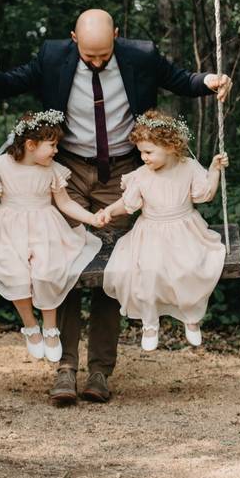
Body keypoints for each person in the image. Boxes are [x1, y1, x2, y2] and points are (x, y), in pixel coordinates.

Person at [0, 8, 232, 405]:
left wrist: (208, 80)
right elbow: (14, 80)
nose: (96, 61)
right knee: (64, 261)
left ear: (117, 38)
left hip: (123, 170)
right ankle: (66, 368)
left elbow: (180, 79)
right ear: (74, 38)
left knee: (114, 263)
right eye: (89, 55)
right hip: (66, 167)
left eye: (104, 54)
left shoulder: (140, 55)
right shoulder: (53, 55)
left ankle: (99, 371)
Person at [0, 110, 105, 363]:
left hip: (46, 227)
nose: (56, 150)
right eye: (52, 145)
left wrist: (91, 218)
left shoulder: (52, 169)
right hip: (9, 229)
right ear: (31, 145)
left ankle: (51, 328)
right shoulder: (0, 165)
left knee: (48, 270)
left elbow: (65, 204)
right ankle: (30, 326)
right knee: (15, 272)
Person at [97, 110, 229, 351]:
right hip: (150, 233)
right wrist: (108, 211)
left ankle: (191, 317)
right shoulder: (140, 176)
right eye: (140, 152)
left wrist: (214, 169)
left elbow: (206, 194)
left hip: (185, 230)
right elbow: (128, 204)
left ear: (169, 146)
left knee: (189, 268)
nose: (143, 157)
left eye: (148, 152)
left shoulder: (188, 167)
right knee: (146, 272)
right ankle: (149, 323)